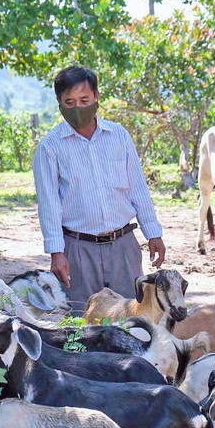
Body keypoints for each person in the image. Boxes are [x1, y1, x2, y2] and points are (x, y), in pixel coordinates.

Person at [33, 66, 166, 314]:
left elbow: (138, 189)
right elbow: (49, 205)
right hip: (78, 251)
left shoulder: (119, 136)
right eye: (69, 102)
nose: (78, 108)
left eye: (84, 100)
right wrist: (56, 253)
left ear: (96, 97)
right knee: (82, 321)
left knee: (131, 320)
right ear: (59, 103)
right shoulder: (50, 148)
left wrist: (153, 234)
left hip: (123, 247)